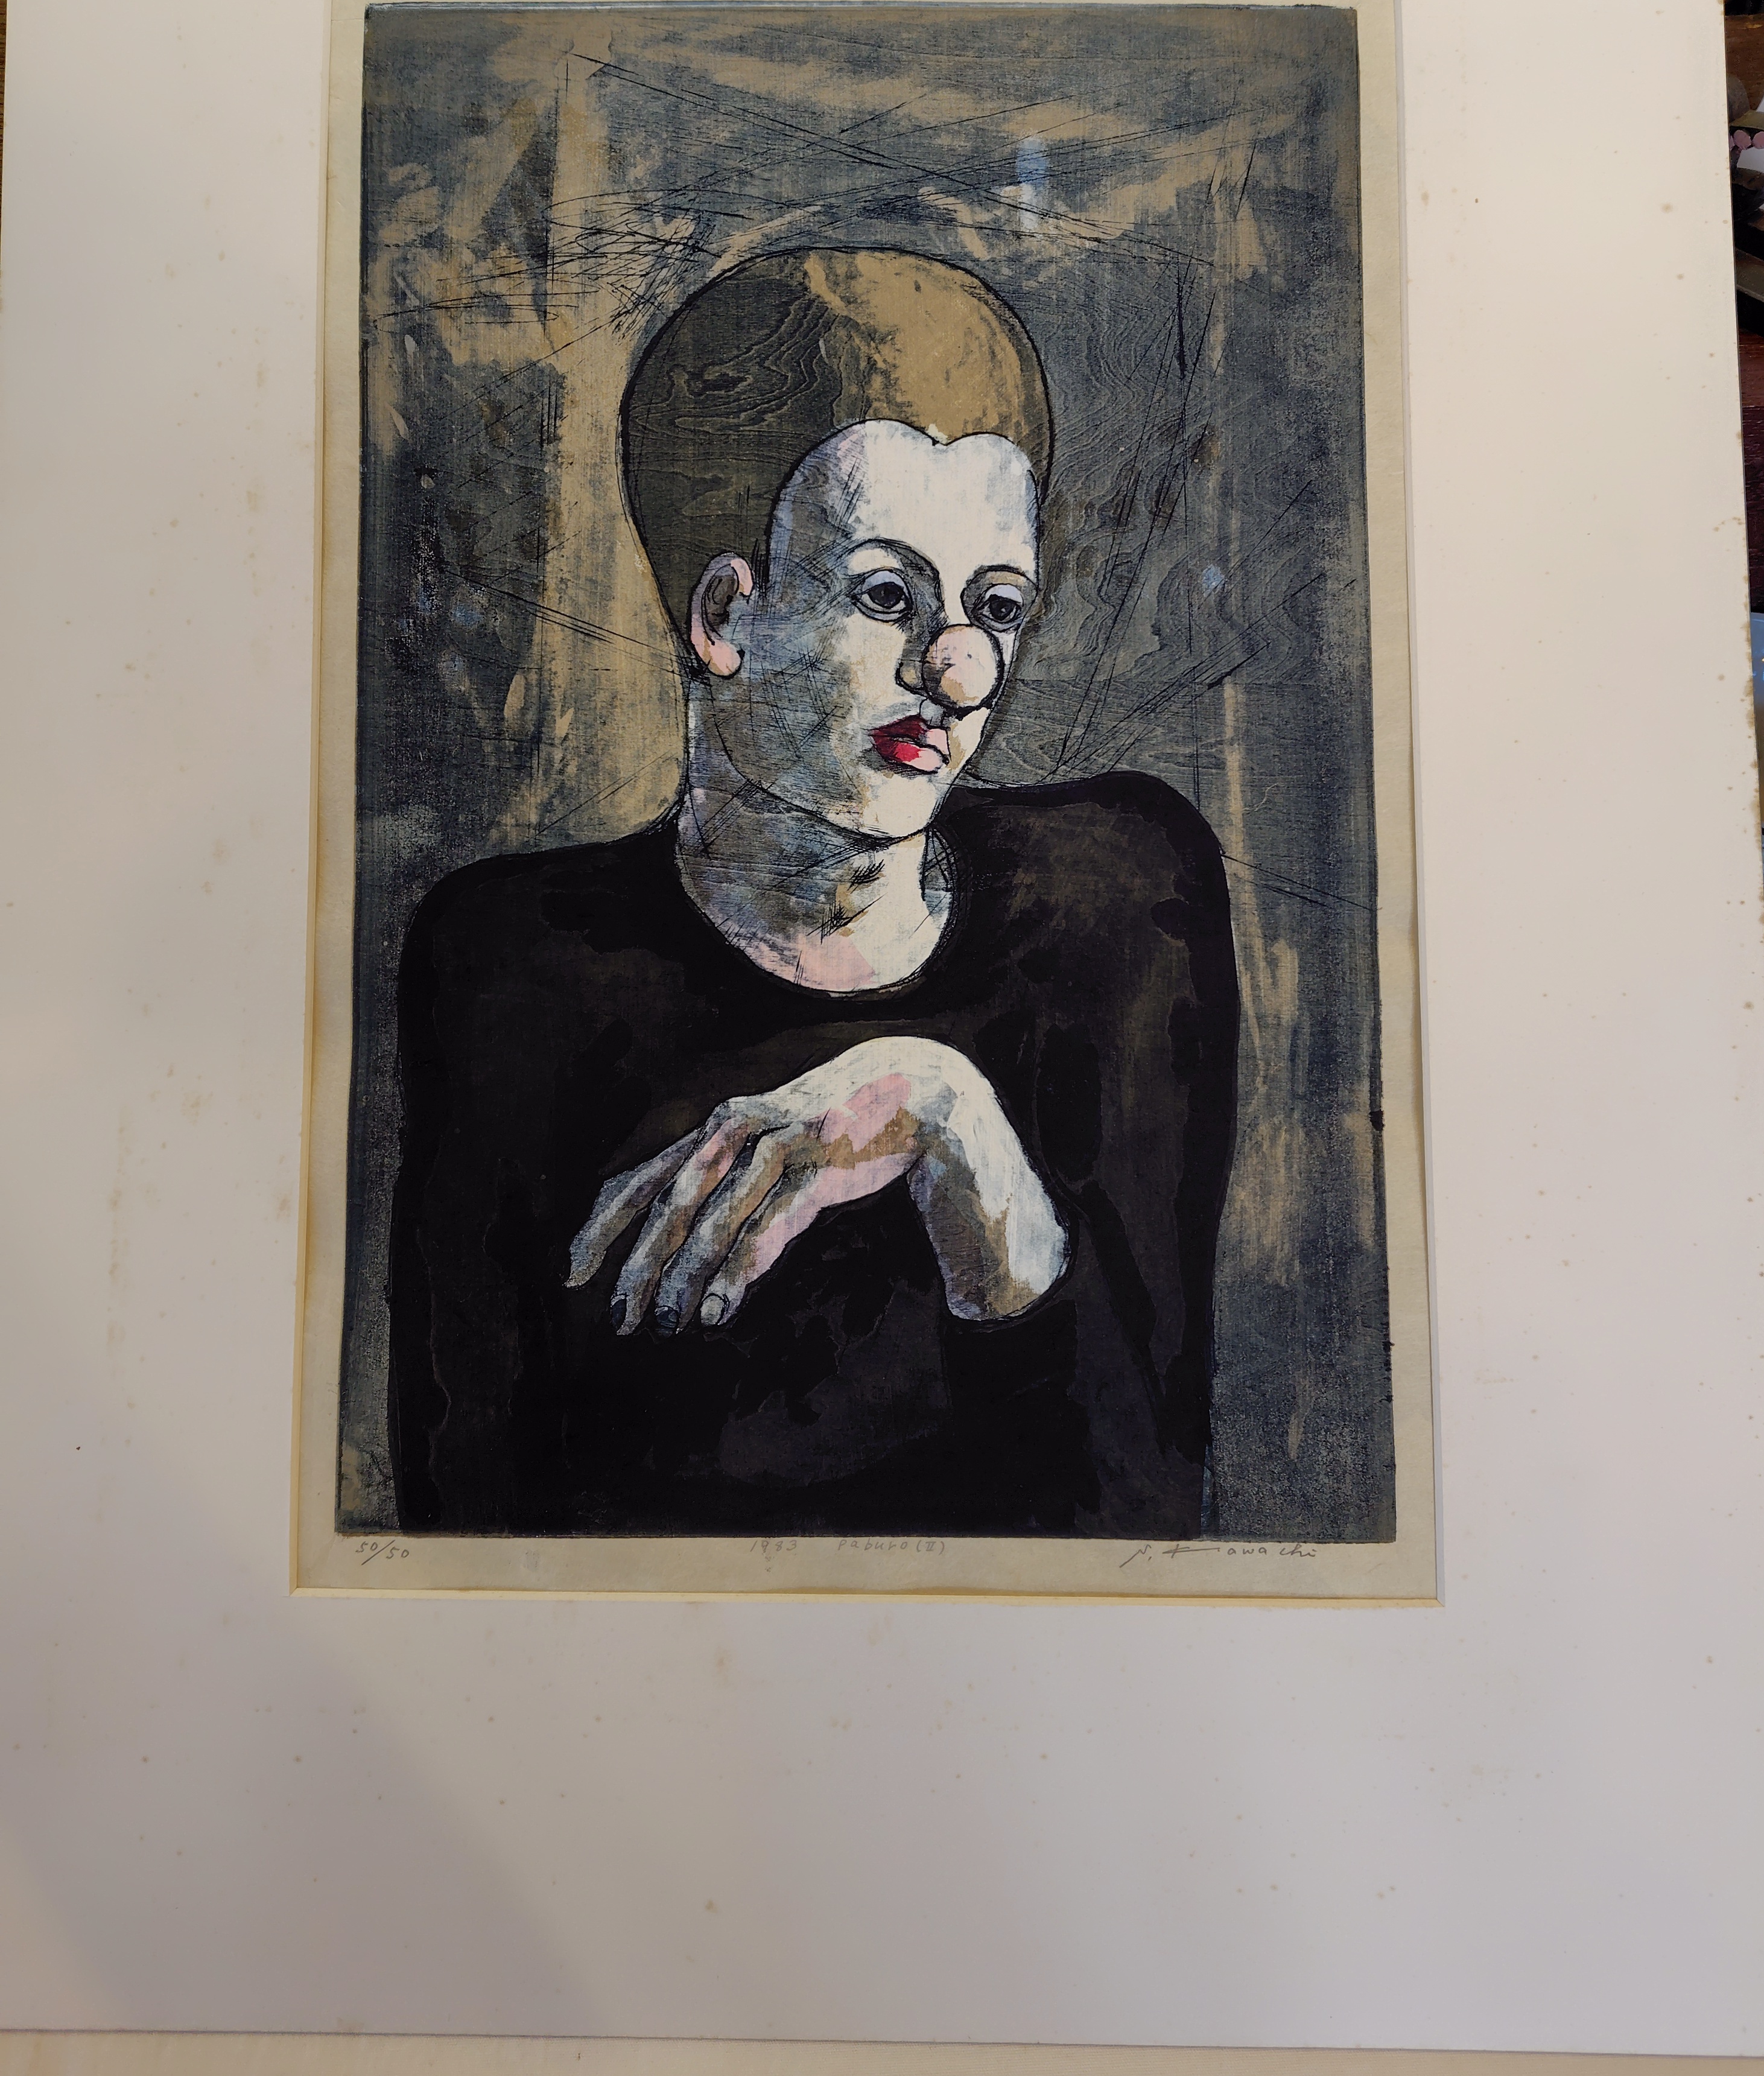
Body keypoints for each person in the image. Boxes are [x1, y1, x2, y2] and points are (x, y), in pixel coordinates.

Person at [387, 247, 1237, 1538]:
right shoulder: (515, 962)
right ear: (726, 615)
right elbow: (475, 1512)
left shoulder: (1120, 896)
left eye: (999, 608)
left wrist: (952, 1128)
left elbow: (1149, 1505)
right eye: (888, 595)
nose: (959, 672)